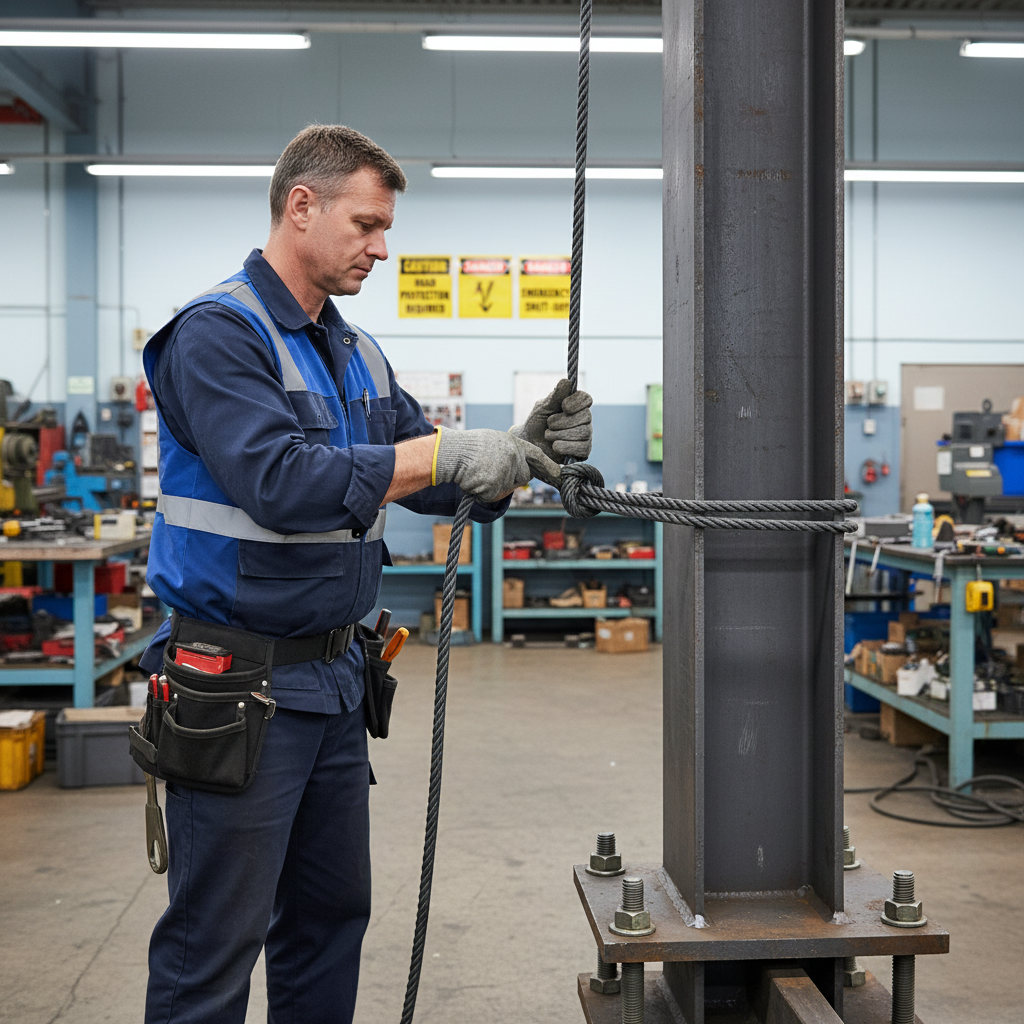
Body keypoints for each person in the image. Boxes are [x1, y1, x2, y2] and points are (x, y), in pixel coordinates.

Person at [137, 124, 594, 1024]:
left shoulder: (357, 354)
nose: (382, 248)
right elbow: (278, 481)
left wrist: (519, 452)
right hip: (234, 685)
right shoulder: (217, 336)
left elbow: (437, 474)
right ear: (300, 207)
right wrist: (443, 454)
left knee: (328, 922)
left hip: (334, 685)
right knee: (214, 945)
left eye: (386, 230)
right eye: (367, 224)